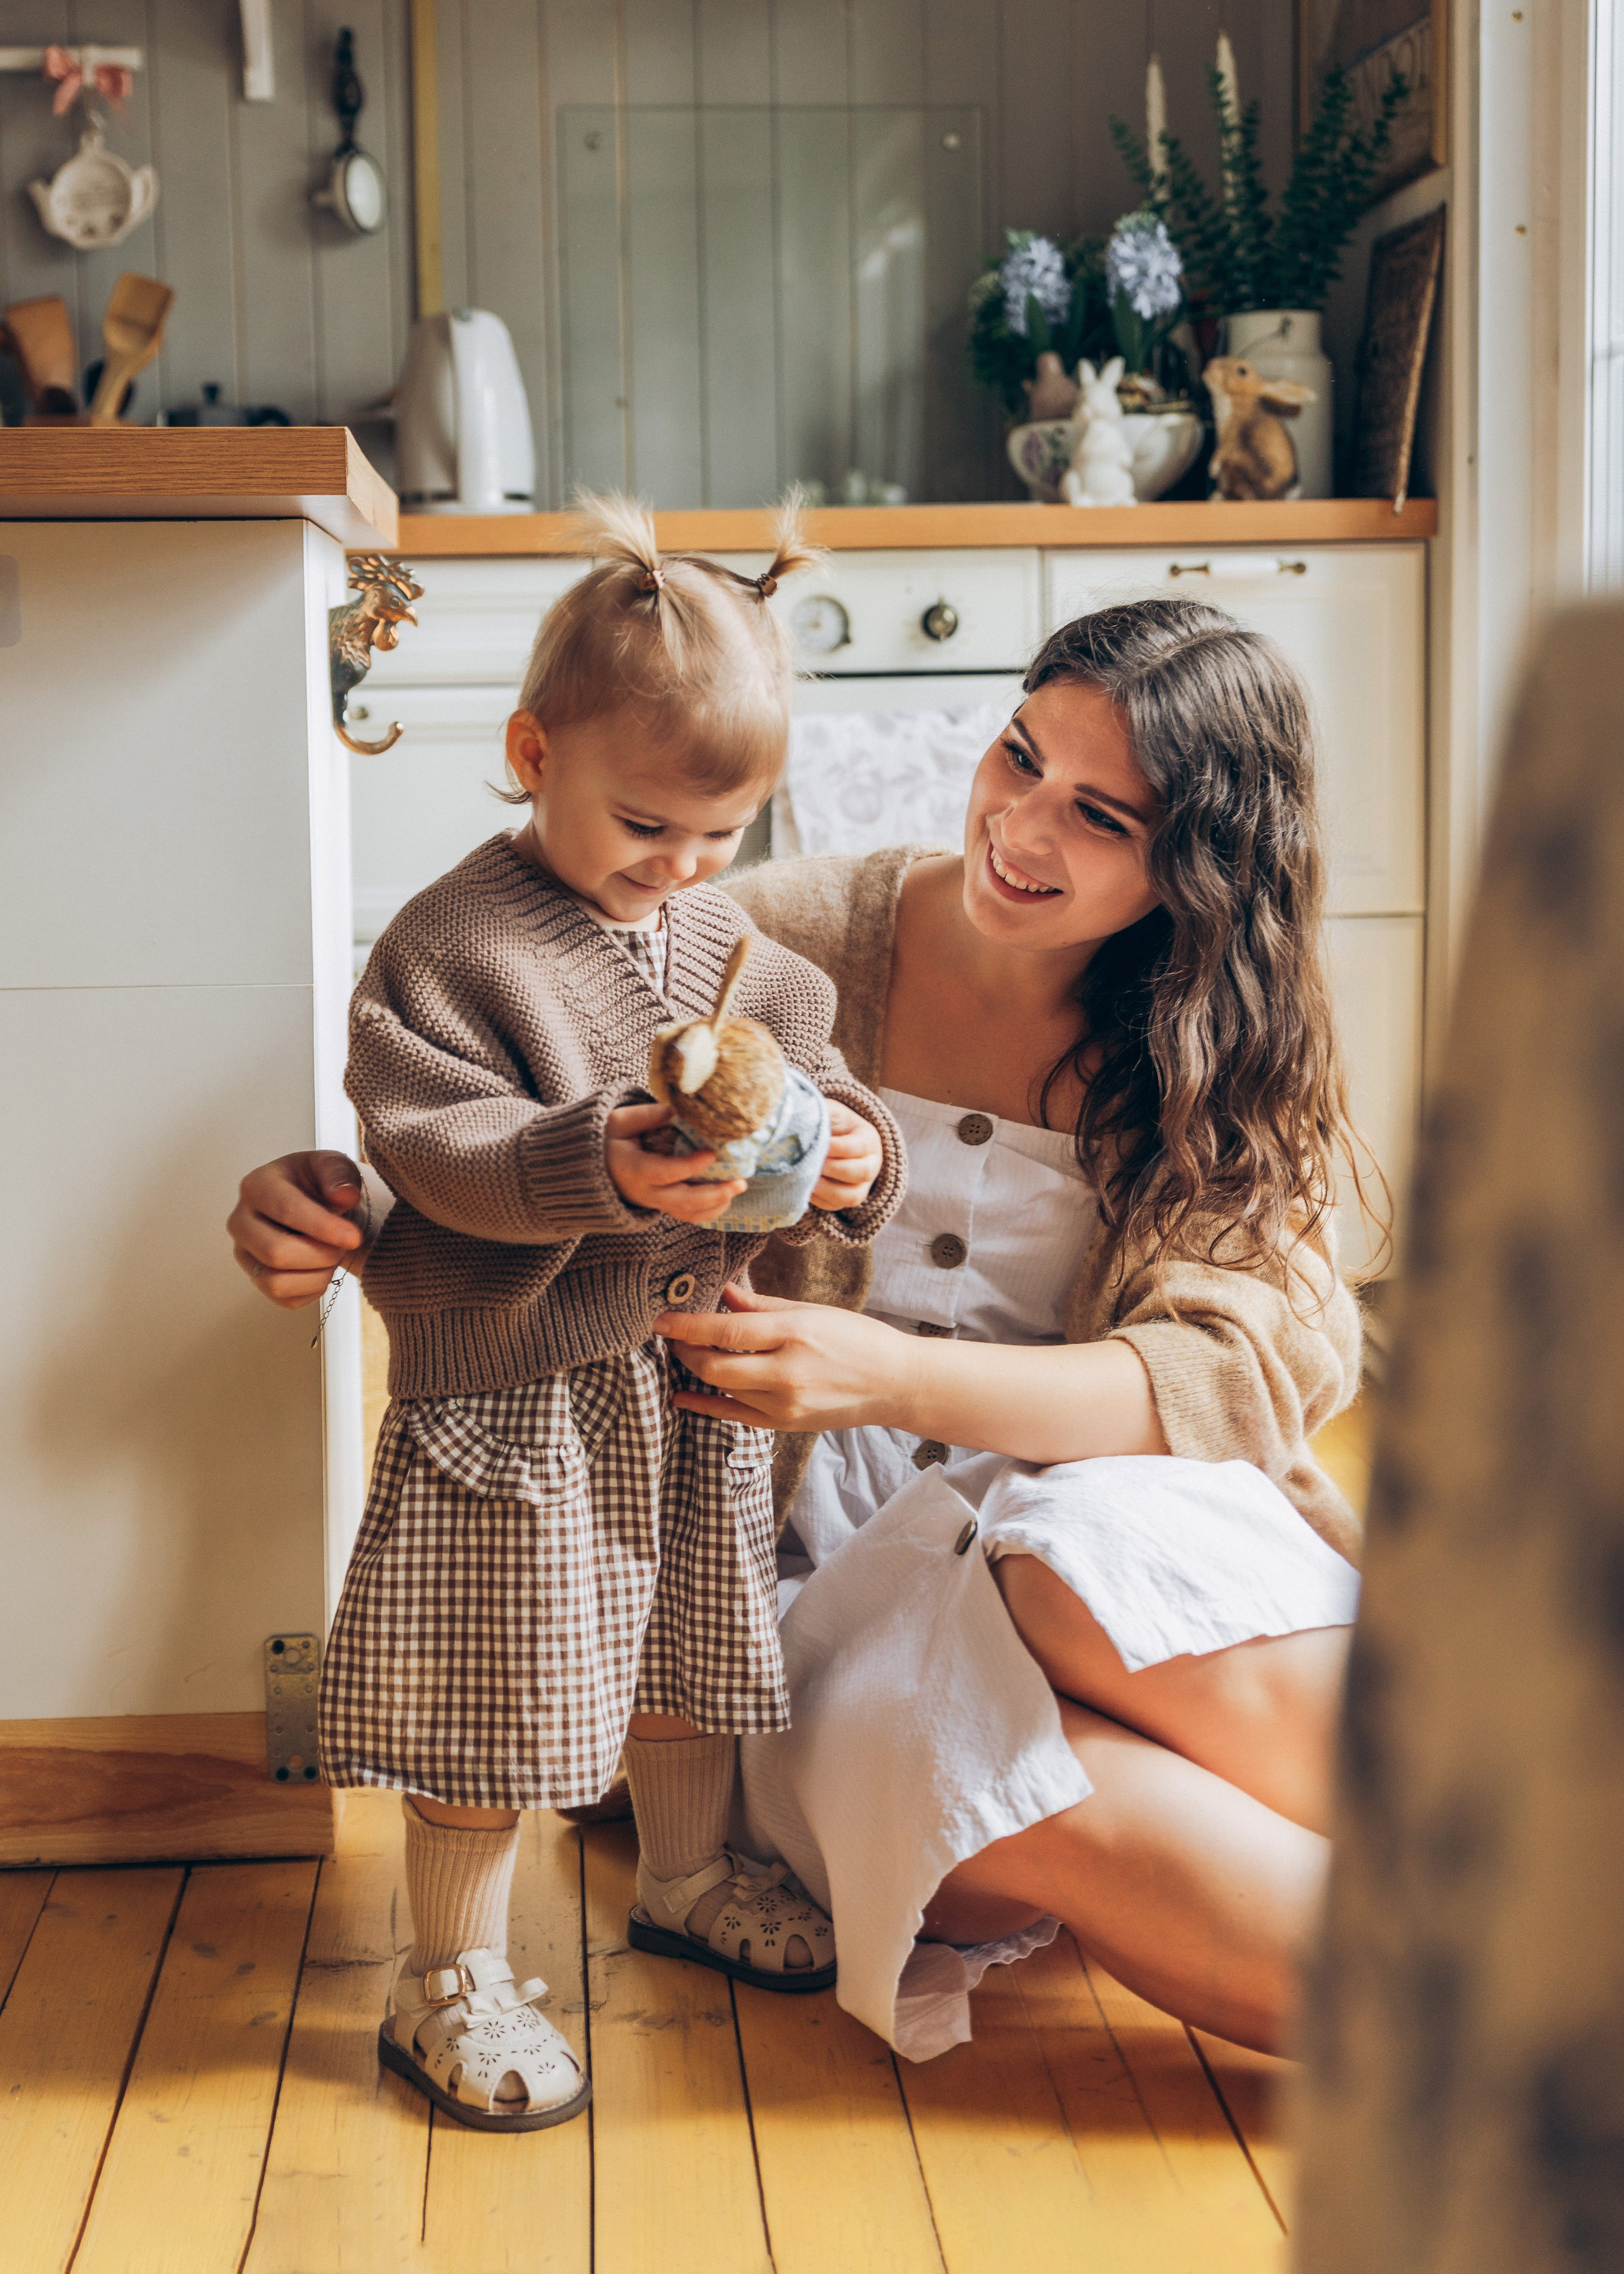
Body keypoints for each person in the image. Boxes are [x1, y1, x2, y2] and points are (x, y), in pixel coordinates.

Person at [232, 596, 1370, 2067]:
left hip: (1095, 1507)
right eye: (1016, 755)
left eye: (1097, 814)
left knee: (1071, 1574)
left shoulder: (1220, 1030)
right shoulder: (754, 938)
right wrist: (326, 1203)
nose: (1018, 826)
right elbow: (500, 1122)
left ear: (1196, 872)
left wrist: (879, 1374)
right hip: (785, 1588)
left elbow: (1250, 1362)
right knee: (1056, 1789)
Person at [304, 496, 904, 2133]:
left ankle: (688, 1873)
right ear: (529, 751)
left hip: (685, 1382)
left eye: (723, 834)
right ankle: (449, 1969)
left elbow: (818, 1085)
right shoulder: (451, 948)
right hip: (515, 1397)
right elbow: (436, 1151)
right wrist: (600, 1162)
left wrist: (853, 1151)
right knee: (499, 1678)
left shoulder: (732, 943)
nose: (683, 867)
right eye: (645, 823)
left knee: (688, 1647)